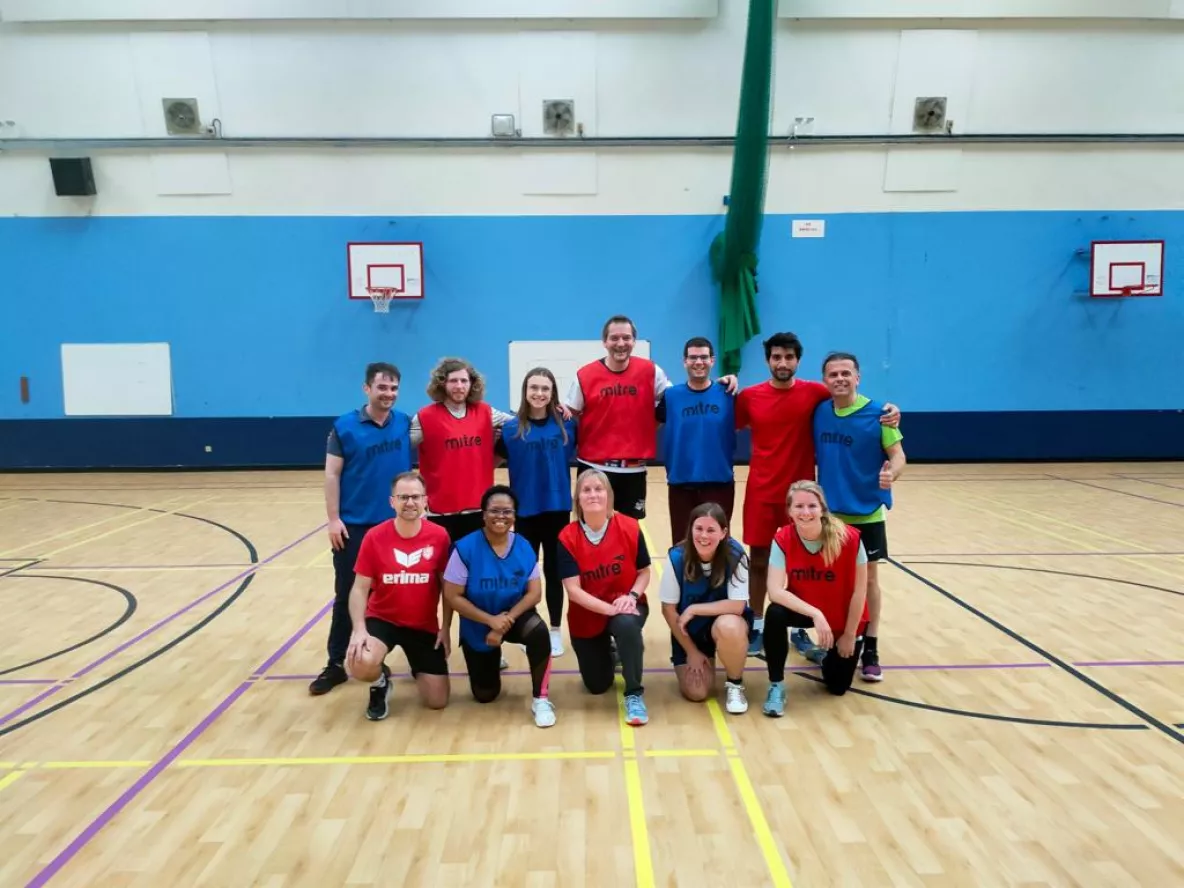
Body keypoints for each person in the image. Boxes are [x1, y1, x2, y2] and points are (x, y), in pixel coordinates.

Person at [735, 333, 897, 660]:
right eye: (776, 357)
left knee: (801, 563)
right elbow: (727, 422)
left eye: (789, 357)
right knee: (760, 560)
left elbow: (852, 399)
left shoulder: (815, 393)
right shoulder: (749, 397)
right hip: (762, 491)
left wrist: (891, 411)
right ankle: (758, 623)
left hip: (803, 498)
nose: (783, 363)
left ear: (798, 361)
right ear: (768, 360)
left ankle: (800, 628)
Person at [564, 316, 736, 521]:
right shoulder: (585, 375)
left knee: (629, 534)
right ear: (605, 342)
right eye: (614, 338)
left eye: (626, 338)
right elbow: (569, 414)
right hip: (594, 467)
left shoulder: (651, 371)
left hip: (633, 470)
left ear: (634, 341)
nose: (621, 343)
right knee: (590, 528)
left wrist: (720, 385)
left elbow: (681, 400)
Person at [310, 361, 413, 696]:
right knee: (349, 595)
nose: (389, 394)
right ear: (367, 389)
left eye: (394, 388)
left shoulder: (405, 423)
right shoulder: (345, 427)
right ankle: (337, 662)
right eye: (382, 387)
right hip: (355, 527)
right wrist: (333, 518)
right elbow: (331, 475)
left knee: (403, 591)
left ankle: (406, 654)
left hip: (397, 525)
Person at [814, 352, 906, 682]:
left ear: (858, 377)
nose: (839, 379)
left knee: (868, 582)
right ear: (825, 380)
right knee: (833, 583)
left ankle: (871, 645)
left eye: (846, 373)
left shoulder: (879, 414)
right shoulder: (821, 412)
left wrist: (891, 475)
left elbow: (898, 456)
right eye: (833, 374)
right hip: (831, 517)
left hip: (867, 514)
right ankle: (835, 639)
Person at [442, 486, 557, 728]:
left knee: (538, 631)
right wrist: (489, 621)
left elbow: (535, 593)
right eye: (494, 511)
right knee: (485, 695)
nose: (501, 517)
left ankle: (541, 699)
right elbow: (453, 596)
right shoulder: (465, 548)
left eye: (507, 511)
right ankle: (492, 657)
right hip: (478, 623)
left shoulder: (523, 545)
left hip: (513, 618)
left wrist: (503, 623)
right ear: (483, 514)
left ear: (515, 515)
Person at [343, 471, 453, 720]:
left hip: (423, 625)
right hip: (383, 620)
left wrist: (445, 627)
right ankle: (380, 681)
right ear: (392, 501)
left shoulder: (439, 536)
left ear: (426, 501)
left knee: (437, 701)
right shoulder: (374, 537)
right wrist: (359, 629)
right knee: (360, 662)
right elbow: (359, 588)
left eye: (415, 497)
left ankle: (419, 666)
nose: (410, 503)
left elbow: (447, 588)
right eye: (403, 497)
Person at [759, 481, 869, 717]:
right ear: (789, 510)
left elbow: (860, 592)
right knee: (775, 613)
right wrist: (816, 614)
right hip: (808, 611)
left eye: (812, 505)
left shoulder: (850, 539)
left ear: (822, 509)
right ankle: (776, 685)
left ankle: (818, 653)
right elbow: (775, 591)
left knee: (837, 687)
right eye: (798, 506)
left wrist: (849, 634)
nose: (805, 512)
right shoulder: (783, 538)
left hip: (843, 615)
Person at [558, 468, 653, 726]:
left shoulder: (630, 527)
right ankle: (612, 651)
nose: (593, 494)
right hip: (588, 614)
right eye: (586, 490)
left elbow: (644, 572)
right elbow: (574, 591)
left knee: (626, 623)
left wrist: (631, 597)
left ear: (609, 495)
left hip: (626, 604)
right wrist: (610, 609)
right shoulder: (567, 537)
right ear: (577, 498)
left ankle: (634, 692)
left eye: (598, 489)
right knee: (597, 685)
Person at [496, 367, 578, 657]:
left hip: (557, 509)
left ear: (552, 392)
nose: (539, 393)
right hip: (526, 511)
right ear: (525, 391)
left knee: (555, 572)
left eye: (545, 388)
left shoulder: (567, 425)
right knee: (524, 573)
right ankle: (526, 626)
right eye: (534, 388)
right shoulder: (510, 430)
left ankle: (555, 630)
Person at [660, 502, 751, 714]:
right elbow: (668, 610)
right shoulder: (676, 557)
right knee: (697, 693)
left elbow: (737, 606)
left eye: (711, 530)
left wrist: (694, 610)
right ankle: (703, 656)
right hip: (690, 634)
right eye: (698, 529)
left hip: (724, 625)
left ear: (723, 533)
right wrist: (691, 651)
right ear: (690, 529)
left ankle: (735, 684)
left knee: (728, 625)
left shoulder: (736, 555)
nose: (704, 536)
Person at [412, 358, 507, 545]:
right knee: (443, 570)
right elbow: (399, 450)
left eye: (464, 381)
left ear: (472, 384)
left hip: (478, 508)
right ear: (442, 383)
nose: (459, 386)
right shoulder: (424, 417)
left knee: (474, 567)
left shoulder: (487, 413)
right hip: (440, 511)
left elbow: (519, 426)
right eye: (453, 381)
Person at [657, 337, 737, 539]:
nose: (698, 362)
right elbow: (651, 422)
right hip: (681, 485)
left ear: (713, 360)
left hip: (719, 484)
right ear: (684, 361)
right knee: (683, 545)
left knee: (718, 545)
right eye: (693, 358)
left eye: (703, 357)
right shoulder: (671, 396)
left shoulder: (729, 394)